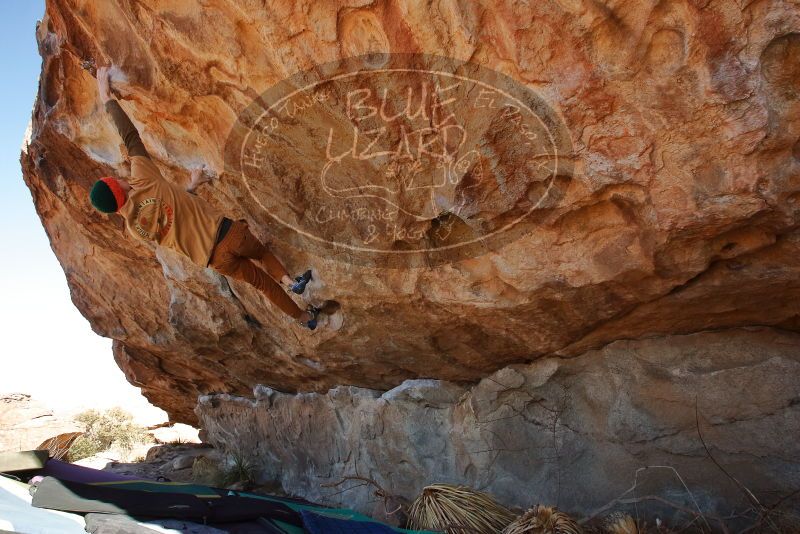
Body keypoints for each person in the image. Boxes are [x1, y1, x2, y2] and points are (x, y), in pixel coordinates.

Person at [89, 66, 321, 329]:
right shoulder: (143, 179)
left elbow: (171, 217)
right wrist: (105, 94)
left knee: (261, 285)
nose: (119, 177)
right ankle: (291, 282)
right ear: (116, 186)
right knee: (262, 252)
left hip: (216, 261)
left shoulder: (136, 228)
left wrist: (191, 186)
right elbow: (130, 136)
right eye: (115, 180)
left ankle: (305, 319)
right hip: (226, 232)